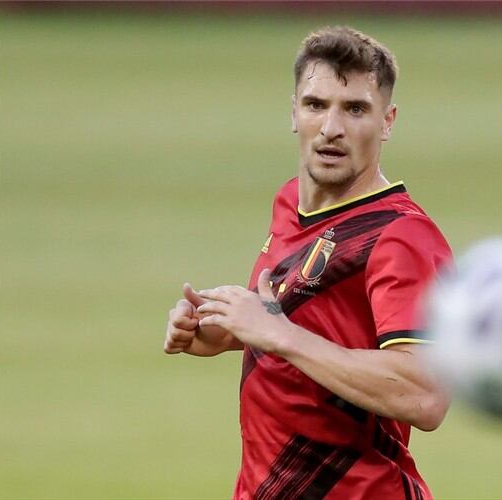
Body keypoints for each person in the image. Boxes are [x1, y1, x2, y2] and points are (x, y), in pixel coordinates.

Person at [163, 26, 452, 500]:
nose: (331, 128)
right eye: (316, 105)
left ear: (388, 121)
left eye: (355, 109)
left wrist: (279, 336)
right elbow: (304, 313)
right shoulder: (292, 203)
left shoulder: (401, 236)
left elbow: (425, 395)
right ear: (293, 113)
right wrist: (222, 328)